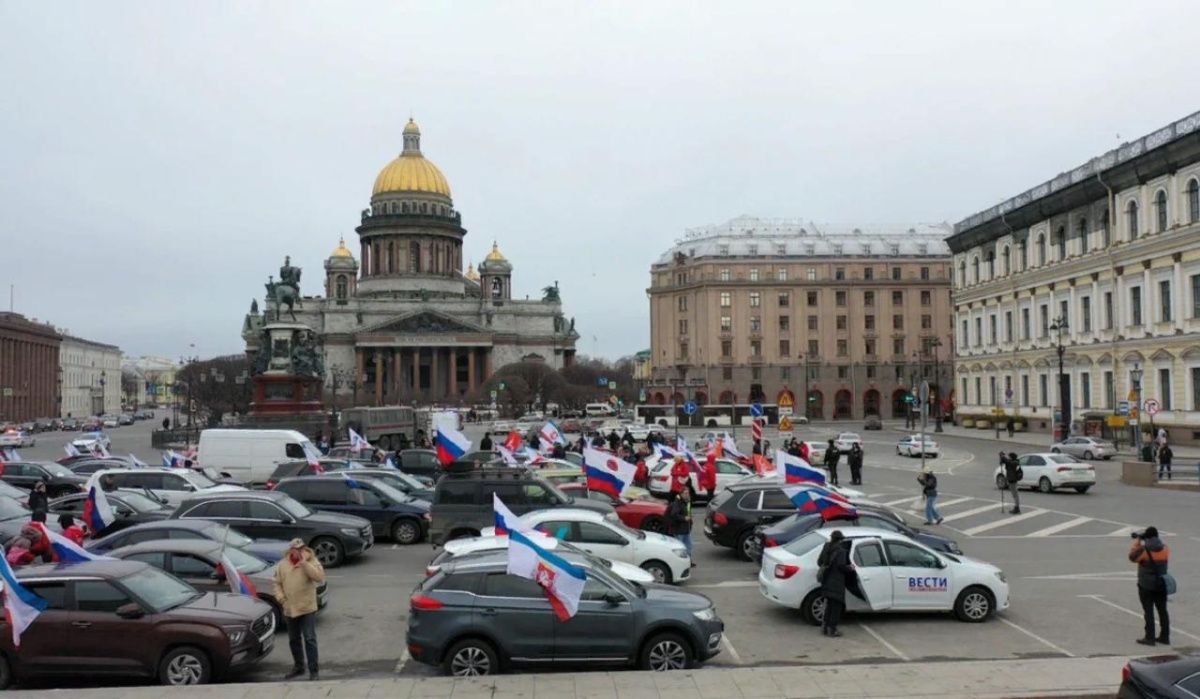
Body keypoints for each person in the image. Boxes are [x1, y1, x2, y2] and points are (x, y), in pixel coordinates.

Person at [274, 538, 326, 680]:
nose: (299, 551)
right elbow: (277, 584)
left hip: (307, 607)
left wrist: (304, 563)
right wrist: (282, 599)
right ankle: (298, 666)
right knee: (294, 639)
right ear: (291, 550)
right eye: (296, 549)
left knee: (309, 638)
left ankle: (314, 670)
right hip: (290, 608)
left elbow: (320, 577)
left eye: (301, 548)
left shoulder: (312, 561)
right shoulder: (283, 564)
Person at [1129, 527, 1170, 646]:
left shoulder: (1144, 550)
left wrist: (1138, 541)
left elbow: (1132, 557)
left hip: (1146, 585)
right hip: (1161, 584)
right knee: (1162, 610)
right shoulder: (1165, 548)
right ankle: (1165, 636)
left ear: (1147, 537)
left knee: (1149, 611)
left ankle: (1149, 637)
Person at [816, 530, 853, 637]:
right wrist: (850, 568)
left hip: (826, 580)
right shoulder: (841, 551)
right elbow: (841, 567)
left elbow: (819, 562)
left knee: (829, 605)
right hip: (836, 582)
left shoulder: (826, 546)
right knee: (836, 607)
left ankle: (824, 627)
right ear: (840, 539)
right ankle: (832, 629)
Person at [666, 490, 693, 556]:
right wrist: (684, 518)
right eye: (685, 493)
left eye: (688, 493)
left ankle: (688, 561)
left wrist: (690, 519)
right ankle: (680, 561)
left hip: (686, 529)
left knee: (689, 546)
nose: (687, 494)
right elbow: (674, 515)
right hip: (679, 530)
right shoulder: (677, 503)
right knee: (680, 548)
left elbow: (687, 512)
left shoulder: (686, 502)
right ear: (681, 494)